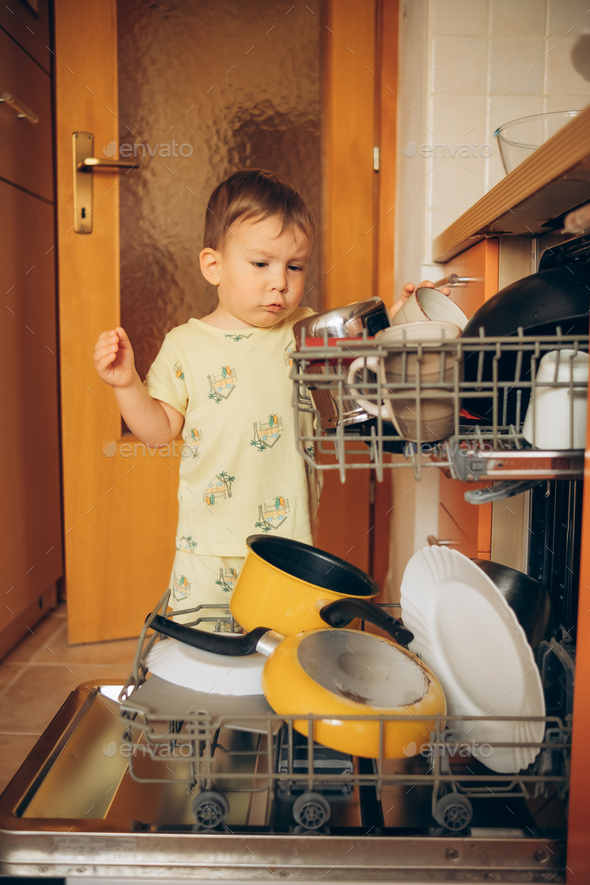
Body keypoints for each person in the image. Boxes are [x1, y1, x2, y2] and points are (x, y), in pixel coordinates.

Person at [94, 168, 444, 620]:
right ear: (213, 265)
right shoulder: (186, 344)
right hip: (208, 546)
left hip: (288, 546)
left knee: (280, 645)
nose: (280, 281)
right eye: (261, 264)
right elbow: (160, 431)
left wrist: (399, 324)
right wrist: (127, 384)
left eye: (294, 266)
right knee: (203, 647)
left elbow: (364, 365)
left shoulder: (304, 332)